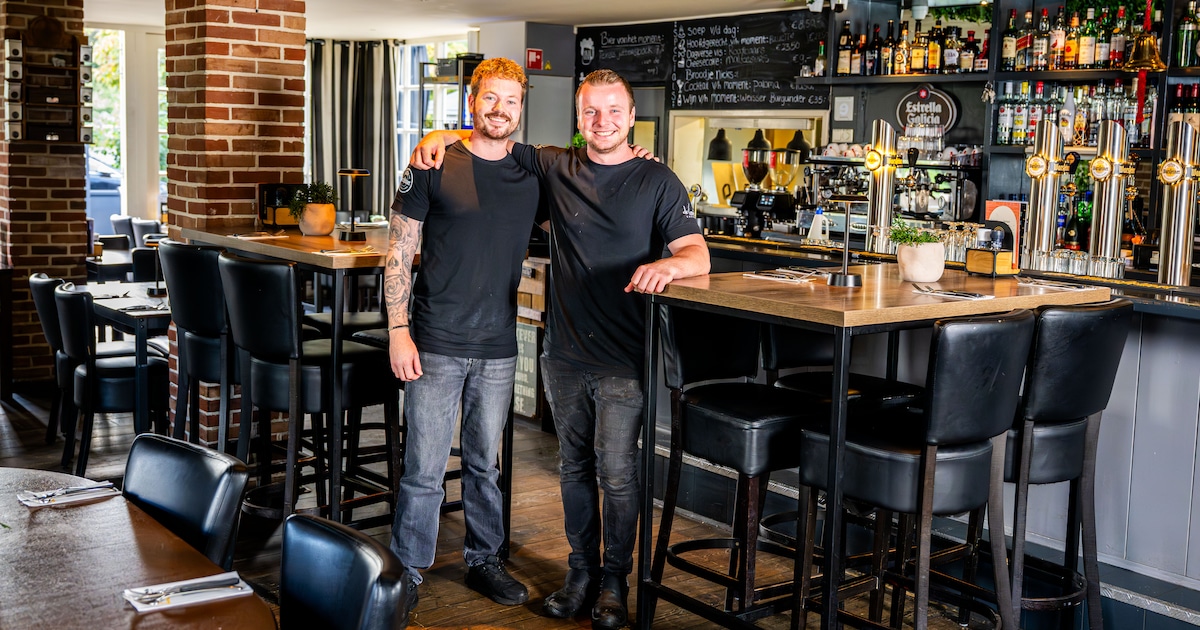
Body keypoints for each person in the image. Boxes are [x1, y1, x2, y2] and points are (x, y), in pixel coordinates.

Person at [412, 68, 709, 629]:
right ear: (578, 118)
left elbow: (697, 253)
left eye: (614, 111)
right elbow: (490, 134)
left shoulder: (658, 179)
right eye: (591, 111)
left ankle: (614, 581)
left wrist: (669, 265)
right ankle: (580, 573)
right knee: (573, 467)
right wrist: (436, 135)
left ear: (632, 117)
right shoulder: (554, 164)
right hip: (564, 351)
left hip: (624, 356)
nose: (602, 121)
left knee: (616, 473)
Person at [383, 57, 545, 618]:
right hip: (434, 340)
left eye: (511, 100)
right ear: (472, 102)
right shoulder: (431, 164)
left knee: (484, 465)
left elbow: (594, 168)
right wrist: (398, 331)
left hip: (498, 344)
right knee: (424, 470)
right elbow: (399, 252)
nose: (501, 109)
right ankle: (406, 571)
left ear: (521, 108)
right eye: (490, 98)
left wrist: (640, 156)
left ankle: (485, 559)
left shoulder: (534, 172)